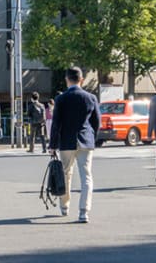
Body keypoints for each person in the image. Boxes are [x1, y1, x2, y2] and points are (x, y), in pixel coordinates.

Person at [49, 67, 101, 224]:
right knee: (86, 175)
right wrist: (93, 138)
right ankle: (84, 211)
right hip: (86, 140)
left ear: (67, 79)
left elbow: (56, 124)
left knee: (66, 174)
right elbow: (96, 122)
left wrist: (52, 145)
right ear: (82, 80)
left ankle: (64, 206)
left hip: (66, 141)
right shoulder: (91, 97)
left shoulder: (61, 99)